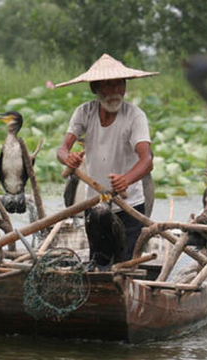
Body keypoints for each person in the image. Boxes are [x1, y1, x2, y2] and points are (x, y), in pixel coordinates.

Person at [56, 53, 157, 263]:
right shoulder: (85, 112)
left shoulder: (135, 116)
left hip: (128, 206)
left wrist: (126, 180)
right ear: (95, 88)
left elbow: (146, 160)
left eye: (119, 85)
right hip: (95, 205)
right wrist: (68, 159)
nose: (114, 92)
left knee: (125, 265)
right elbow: (62, 149)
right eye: (107, 86)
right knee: (98, 263)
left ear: (125, 85)